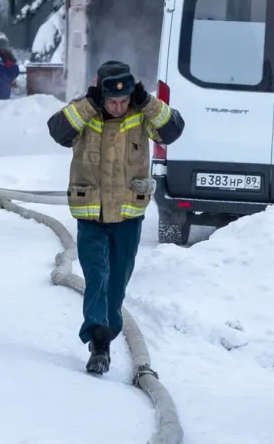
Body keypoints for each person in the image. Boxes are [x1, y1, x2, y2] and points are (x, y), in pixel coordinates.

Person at [47, 61, 184, 375]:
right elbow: (58, 131)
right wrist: (91, 103)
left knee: (117, 284)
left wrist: (146, 100)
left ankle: (108, 330)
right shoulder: (83, 111)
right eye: (112, 101)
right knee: (97, 277)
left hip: (127, 214)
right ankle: (99, 342)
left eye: (124, 101)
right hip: (91, 213)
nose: (119, 107)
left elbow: (173, 130)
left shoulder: (140, 114)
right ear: (100, 94)